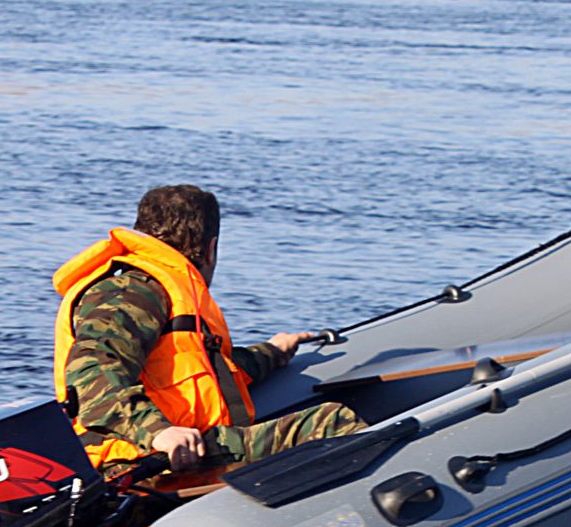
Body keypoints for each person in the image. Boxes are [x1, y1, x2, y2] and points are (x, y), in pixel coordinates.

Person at [52, 184, 366, 475]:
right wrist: (158, 432)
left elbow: (206, 374)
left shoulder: (157, 288)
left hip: (178, 448)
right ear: (210, 248)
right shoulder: (132, 292)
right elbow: (91, 373)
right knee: (331, 422)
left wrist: (272, 352)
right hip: (141, 461)